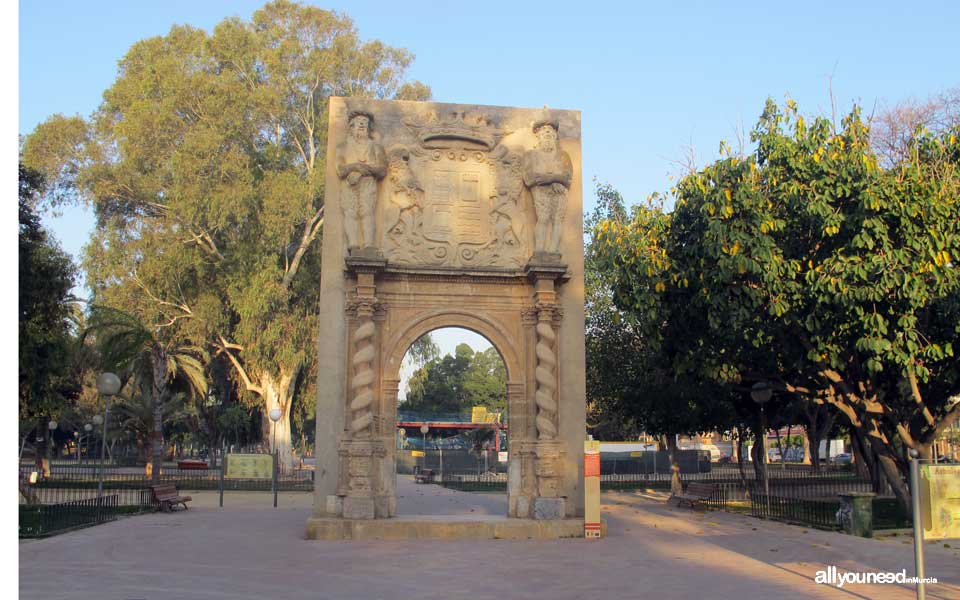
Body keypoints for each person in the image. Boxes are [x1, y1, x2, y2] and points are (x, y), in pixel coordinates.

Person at [337, 111, 387, 252]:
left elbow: (382, 170)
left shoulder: (376, 147)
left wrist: (363, 170)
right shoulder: (343, 147)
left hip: (368, 184)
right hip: (349, 185)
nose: (361, 123)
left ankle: (369, 245)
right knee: (350, 212)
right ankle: (353, 245)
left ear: (369, 127)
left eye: (365, 121)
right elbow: (340, 170)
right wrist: (356, 167)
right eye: (358, 120)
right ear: (351, 126)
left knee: (367, 212)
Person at [522, 117, 572, 255]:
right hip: (540, 191)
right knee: (543, 219)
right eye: (544, 131)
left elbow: (567, 178)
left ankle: (554, 251)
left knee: (557, 220)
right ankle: (539, 250)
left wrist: (551, 178)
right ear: (538, 135)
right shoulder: (531, 155)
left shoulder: (563, 156)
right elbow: (528, 179)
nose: (548, 133)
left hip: (560, 191)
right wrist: (552, 179)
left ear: (555, 135)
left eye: (550, 131)